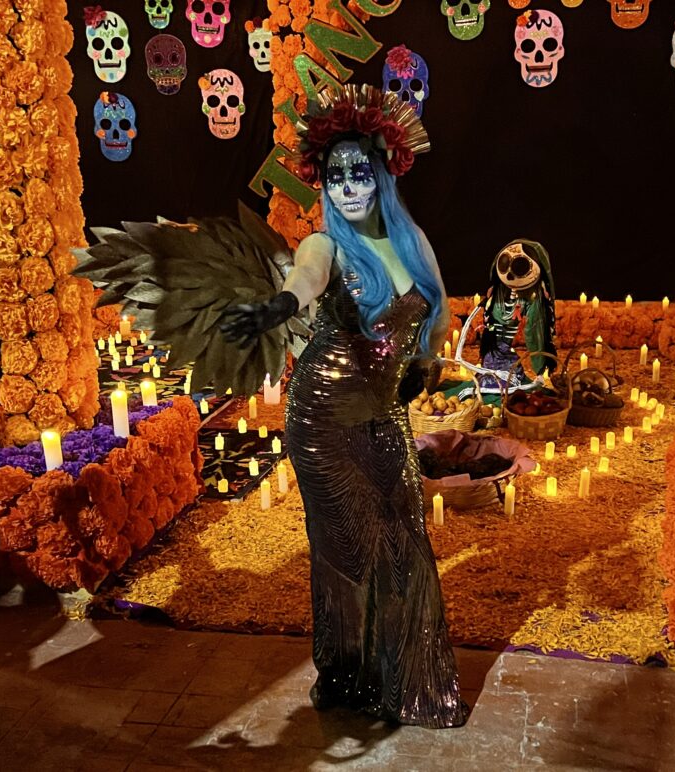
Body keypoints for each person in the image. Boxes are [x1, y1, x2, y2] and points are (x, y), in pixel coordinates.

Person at [220, 85, 467, 728]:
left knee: (407, 539)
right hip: (322, 419)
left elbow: (434, 316)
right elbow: (305, 278)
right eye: (336, 176)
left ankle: (405, 682)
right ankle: (348, 674)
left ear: (382, 173)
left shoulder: (413, 243)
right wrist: (280, 306)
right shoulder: (324, 245)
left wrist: (424, 368)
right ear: (323, 186)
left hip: (381, 418)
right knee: (355, 547)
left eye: (360, 172)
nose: (349, 186)